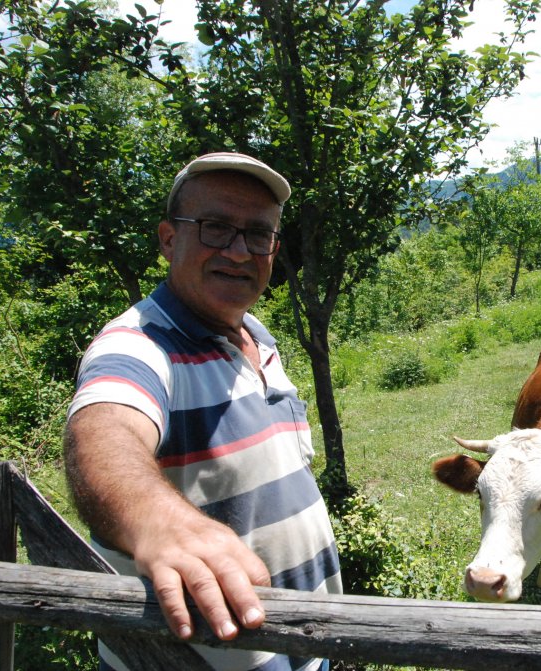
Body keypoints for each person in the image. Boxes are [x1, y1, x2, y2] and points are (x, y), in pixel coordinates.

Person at [64, 152, 343, 671]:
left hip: (304, 646)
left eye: (258, 235)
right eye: (215, 228)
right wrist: (158, 522)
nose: (239, 252)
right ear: (169, 239)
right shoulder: (138, 346)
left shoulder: (255, 333)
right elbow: (104, 434)